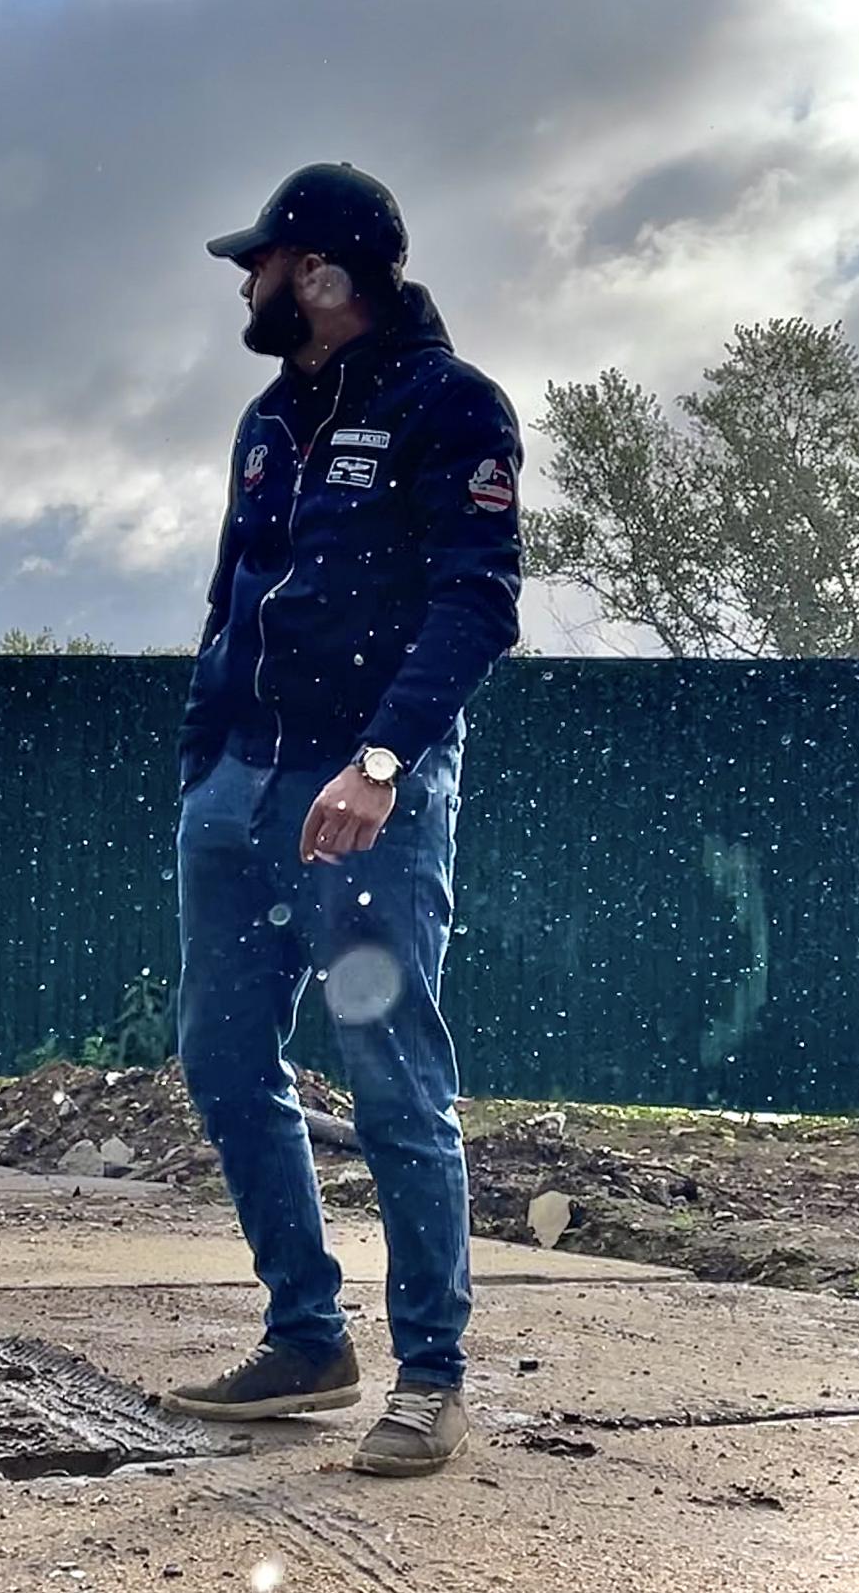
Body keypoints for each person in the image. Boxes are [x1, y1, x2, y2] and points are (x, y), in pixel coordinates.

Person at [166, 163, 522, 1476]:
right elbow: (231, 596)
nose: (245, 286)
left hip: (367, 792)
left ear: (320, 274)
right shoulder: (267, 421)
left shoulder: (453, 407)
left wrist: (379, 760)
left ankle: (431, 1375)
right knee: (221, 1058)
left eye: (260, 264)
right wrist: (204, 760)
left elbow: (478, 601)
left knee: (389, 1079)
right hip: (238, 786)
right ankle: (307, 1337)